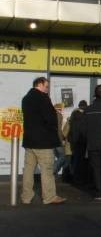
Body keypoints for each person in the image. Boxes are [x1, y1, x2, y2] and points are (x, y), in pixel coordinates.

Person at [21, 77, 66, 205]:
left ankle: (26, 197)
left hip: (29, 140)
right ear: (40, 85)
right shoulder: (43, 98)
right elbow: (50, 119)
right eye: (46, 86)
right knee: (47, 170)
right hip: (43, 141)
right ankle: (49, 197)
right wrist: (54, 114)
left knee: (29, 170)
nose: (47, 89)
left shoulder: (26, 98)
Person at [67, 100, 89, 185]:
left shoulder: (73, 115)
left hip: (74, 142)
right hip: (83, 141)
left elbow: (71, 130)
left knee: (75, 159)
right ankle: (82, 178)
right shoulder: (85, 116)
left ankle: (75, 177)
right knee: (83, 160)